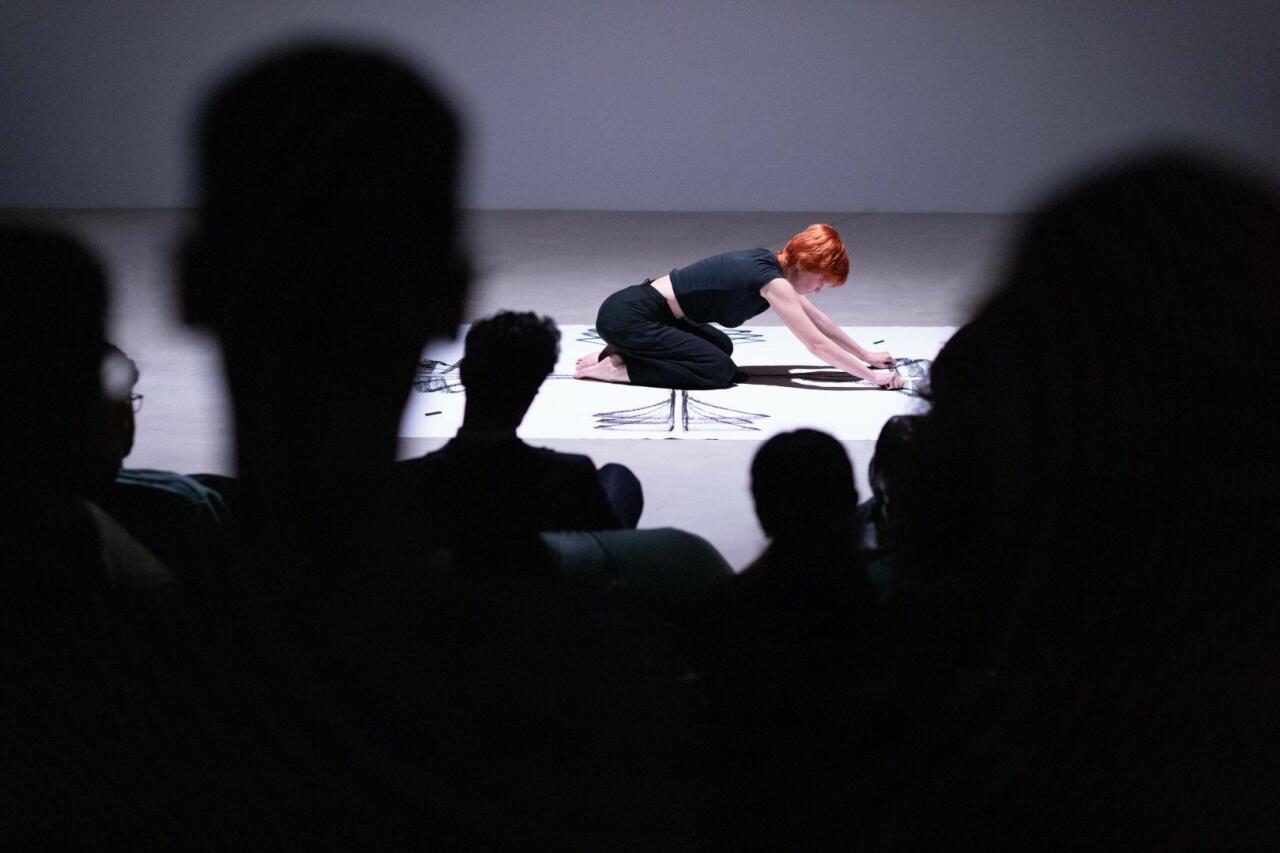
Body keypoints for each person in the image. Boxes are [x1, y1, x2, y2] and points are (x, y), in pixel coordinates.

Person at [400, 310, 643, 543]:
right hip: (546, 568)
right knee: (617, 476)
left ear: (463, 373)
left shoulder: (411, 479)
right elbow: (610, 547)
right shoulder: (569, 475)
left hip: (456, 566)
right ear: (536, 388)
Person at [574, 223, 904, 390]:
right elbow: (815, 343)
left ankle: (621, 350)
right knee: (717, 369)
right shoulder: (772, 281)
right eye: (821, 280)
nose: (819, 289)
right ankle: (617, 370)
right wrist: (871, 377)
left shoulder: (771, 266)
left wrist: (866, 355)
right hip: (630, 317)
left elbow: (818, 320)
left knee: (722, 346)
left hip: (643, 314)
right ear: (804, 263)